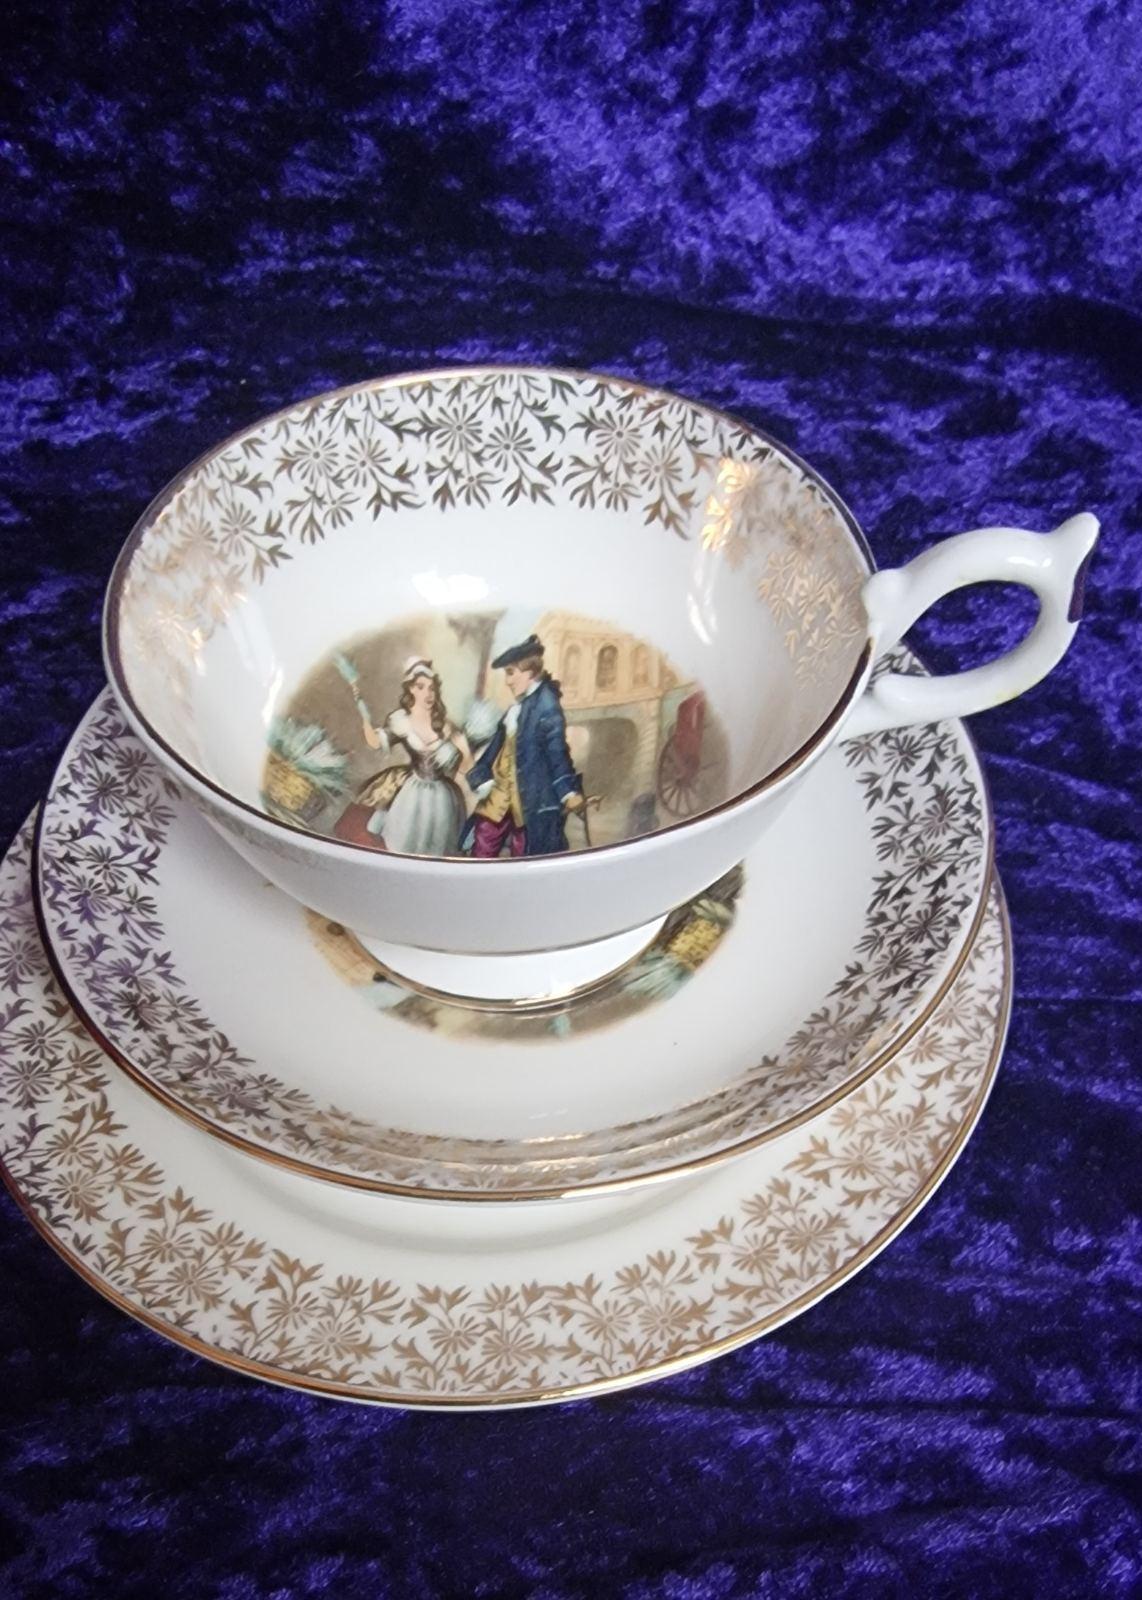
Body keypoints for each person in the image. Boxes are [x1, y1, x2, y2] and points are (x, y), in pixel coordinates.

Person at [461, 634, 591, 857]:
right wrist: (481, 776)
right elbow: (494, 752)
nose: (507, 681)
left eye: (511, 672)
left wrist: (568, 792)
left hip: (530, 801)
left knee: (525, 854)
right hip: (498, 799)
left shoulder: (546, 705)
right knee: (482, 845)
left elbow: (557, 753)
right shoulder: (515, 710)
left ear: (530, 671)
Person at [339, 657, 472, 856]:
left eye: (432, 688)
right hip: (412, 794)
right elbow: (375, 743)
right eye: (421, 687)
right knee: (403, 844)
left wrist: (464, 746)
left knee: (436, 848)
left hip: (442, 798)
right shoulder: (401, 720)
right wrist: (364, 717)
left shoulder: (445, 725)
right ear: (411, 689)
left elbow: (466, 768)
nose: (428, 693)